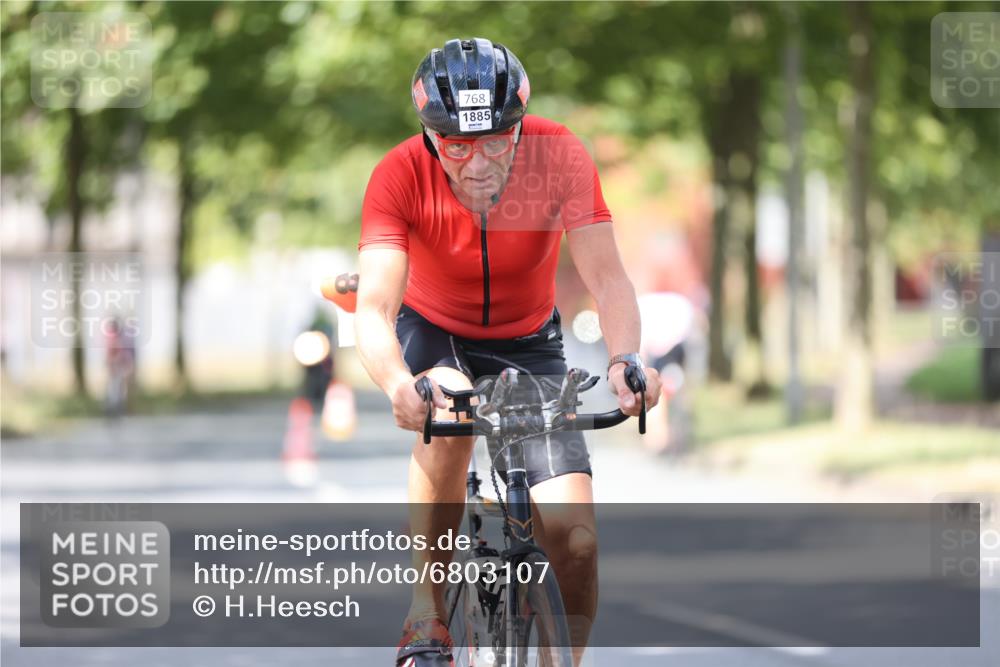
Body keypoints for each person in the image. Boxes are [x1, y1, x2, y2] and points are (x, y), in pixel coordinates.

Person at [354, 38, 661, 667]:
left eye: (497, 140)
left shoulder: (559, 153)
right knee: (455, 404)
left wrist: (625, 360)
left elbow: (607, 278)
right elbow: (376, 308)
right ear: (430, 134)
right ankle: (427, 611)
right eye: (458, 146)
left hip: (530, 343)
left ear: (520, 125)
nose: (477, 164)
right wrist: (395, 385)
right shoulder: (398, 174)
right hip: (435, 331)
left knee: (575, 544)